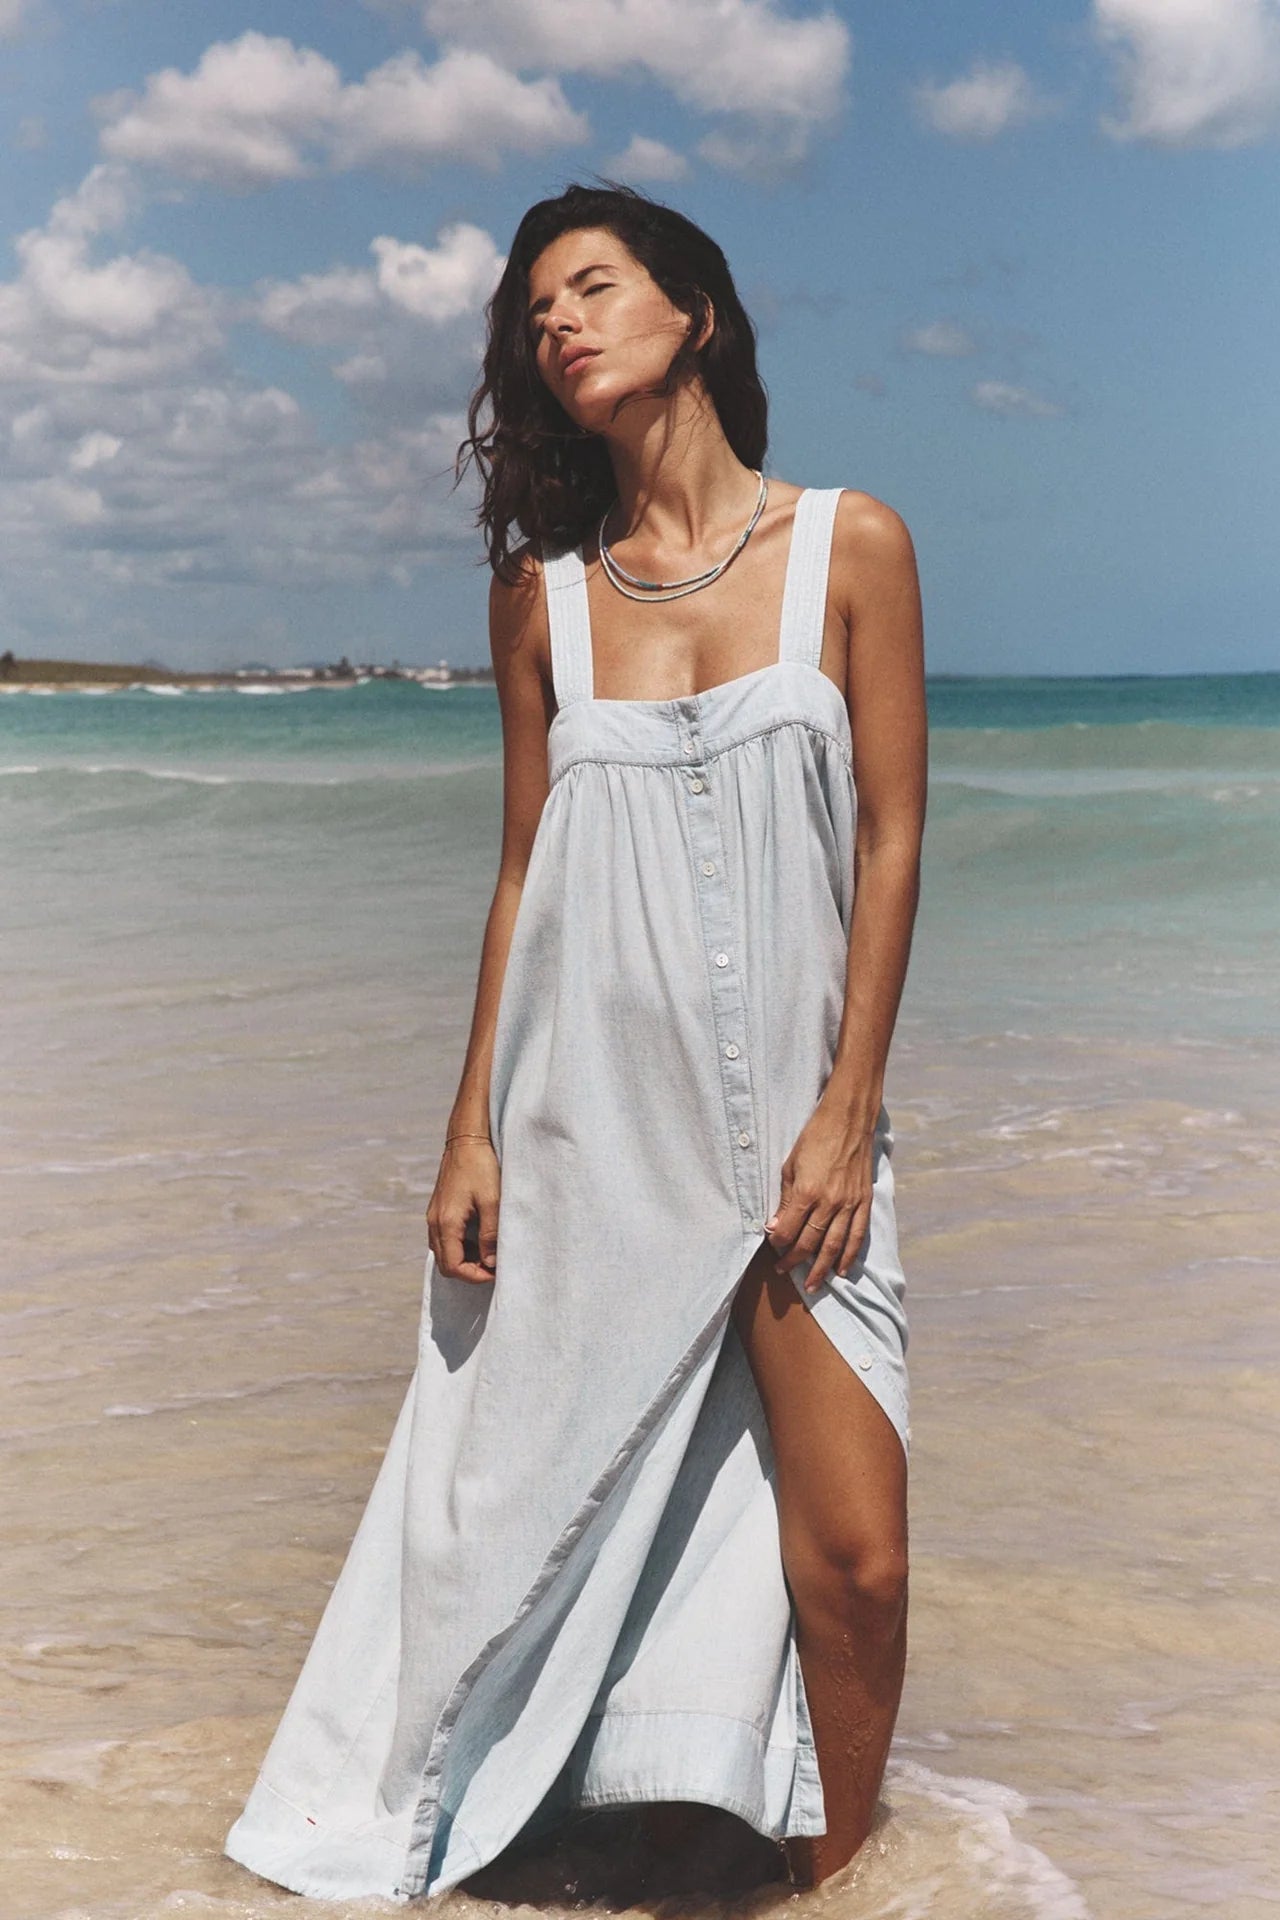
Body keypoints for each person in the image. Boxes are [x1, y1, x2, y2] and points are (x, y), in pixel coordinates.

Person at [223, 182, 927, 1903]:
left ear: (698, 314)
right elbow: (522, 866)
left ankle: (849, 1876)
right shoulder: (542, 602)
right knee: (522, 1504)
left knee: (855, 1557)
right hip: (594, 1121)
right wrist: (470, 1127)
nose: (558, 325)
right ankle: (462, 1811)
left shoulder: (850, 547)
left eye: (593, 288)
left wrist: (851, 1106)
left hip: (798, 1132)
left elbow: (894, 836)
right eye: (537, 313)